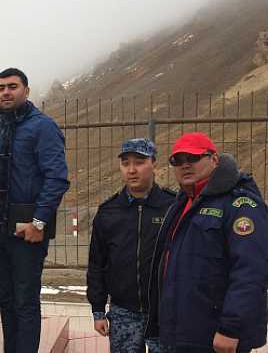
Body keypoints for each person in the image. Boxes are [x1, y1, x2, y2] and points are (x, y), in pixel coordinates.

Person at [153, 132, 268, 352]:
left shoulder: (240, 205)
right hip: (182, 334)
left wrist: (231, 329)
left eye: (193, 158)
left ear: (214, 159)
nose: (185, 165)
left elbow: (251, 272)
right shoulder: (182, 203)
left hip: (216, 337)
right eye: (177, 160)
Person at [0, 68, 70, 353]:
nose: (6, 92)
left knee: (25, 300)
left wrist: (39, 221)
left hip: (29, 230)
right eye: (1, 88)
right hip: (0, 229)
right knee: (6, 300)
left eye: (12, 86)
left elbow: (57, 177)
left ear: (26, 91)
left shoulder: (42, 127)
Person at [86, 138, 175, 353]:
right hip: (123, 312)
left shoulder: (172, 206)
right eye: (126, 163)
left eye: (140, 162)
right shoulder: (108, 212)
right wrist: (98, 310)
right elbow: (97, 264)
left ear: (154, 163)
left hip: (164, 312)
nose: (132, 170)